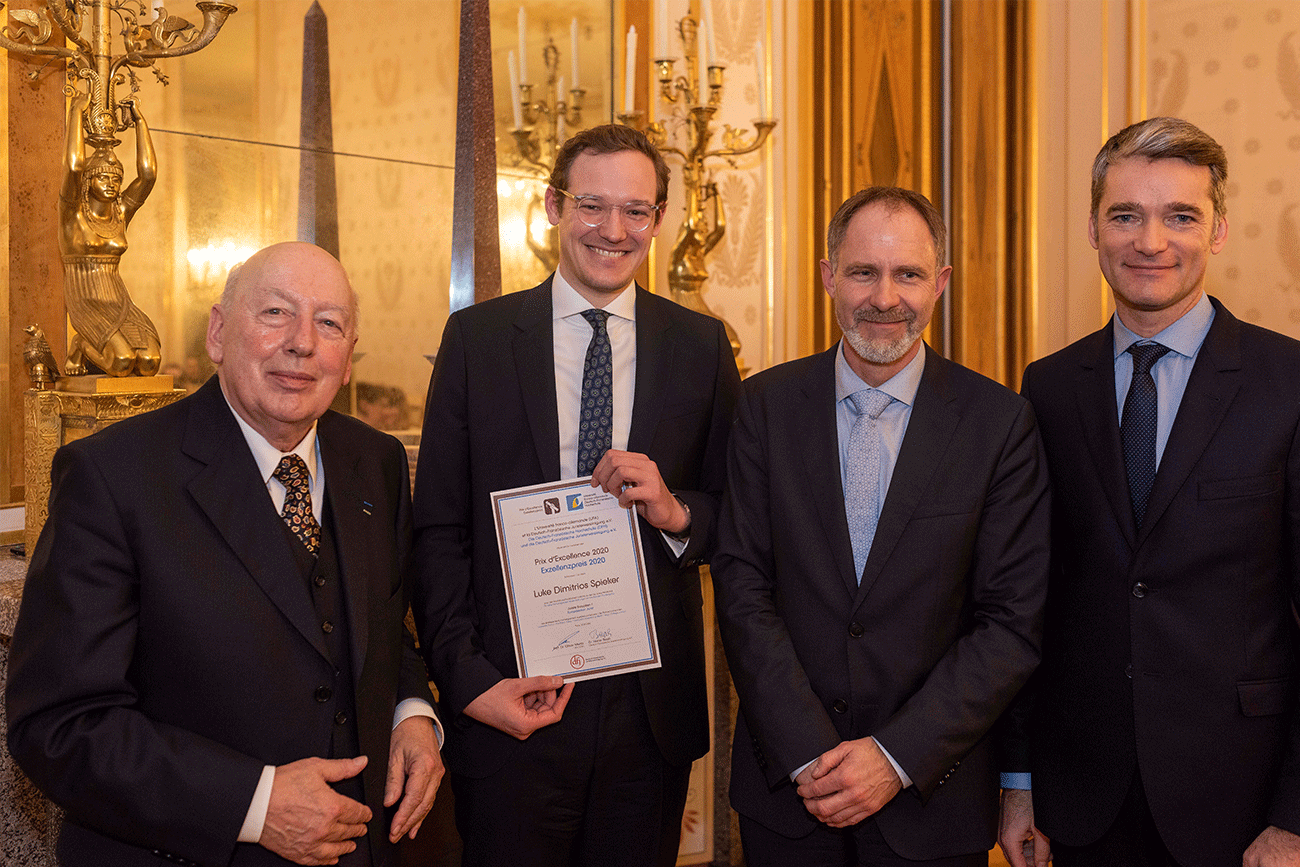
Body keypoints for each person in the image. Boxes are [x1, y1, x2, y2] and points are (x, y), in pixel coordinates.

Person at [6, 242, 444, 867]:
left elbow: (384, 633)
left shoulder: (376, 461)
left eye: (328, 323)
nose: (302, 343)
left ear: (348, 358)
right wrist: (255, 805)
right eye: (275, 313)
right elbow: (59, 724)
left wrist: (412, 713)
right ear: (217, 333)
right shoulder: (112, 477)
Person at [412, 123, 741, 867]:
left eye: (635, 210)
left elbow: (737, 515)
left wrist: (677, 513)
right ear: (554, 206)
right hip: (511, 699)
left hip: (646, 718)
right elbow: (438, 531)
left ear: (658, 219)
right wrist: (468, 680)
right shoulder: (477, 340)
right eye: (593, 205)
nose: (613, 230)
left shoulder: (701, 346)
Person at [712, 186, 1050, 866]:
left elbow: (1010, 623)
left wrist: (894, 758)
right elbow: (742, 586)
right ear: (829, 276)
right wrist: (810, 752)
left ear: (940, 283)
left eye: (909, 274)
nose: (885, 297)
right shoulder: (764, 406)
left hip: (931, 802)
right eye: (864, 271)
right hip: (790, 797)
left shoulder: (999, 423)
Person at [997, 117, 1300, 867]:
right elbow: (1028, 600)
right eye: (1126, 215)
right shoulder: (1048, 387)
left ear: (1218, 230)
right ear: (1093, 229)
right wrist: (1018, 781)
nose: (1151, 241)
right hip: (1081, 800)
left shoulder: (1287, 383)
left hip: (1242, 805)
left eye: (1181, 216)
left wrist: (1294, 820)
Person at [59, 91, 162, 377]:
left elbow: (148, 176)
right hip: (86, 297)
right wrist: (75, 113)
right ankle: (80, 344)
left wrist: (140, 122)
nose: (111, 184)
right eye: (103, 177)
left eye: (116, 179)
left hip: (118, 298)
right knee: (121, 362)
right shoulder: (72, 213)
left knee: (150, 362)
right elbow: (73, 166)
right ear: (89, 181)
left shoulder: (120, 212)